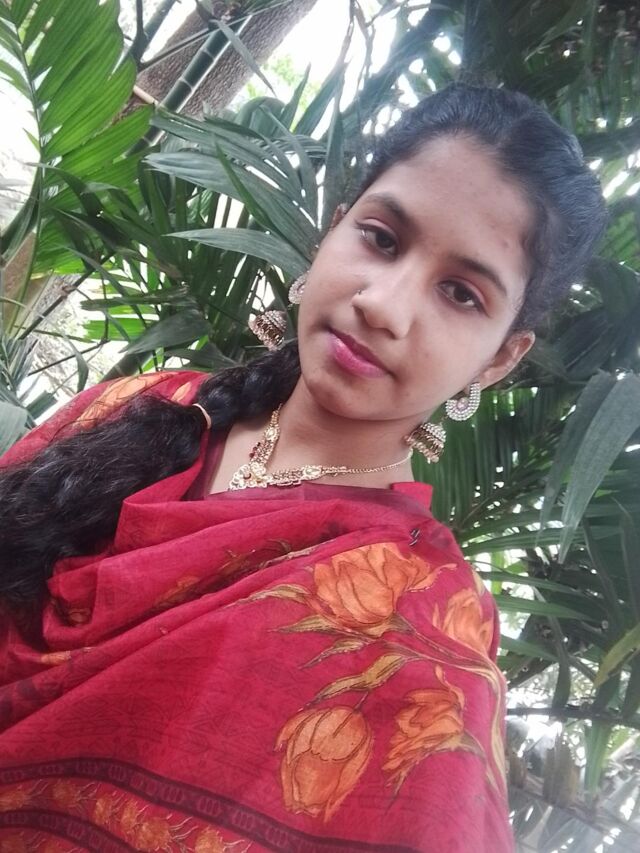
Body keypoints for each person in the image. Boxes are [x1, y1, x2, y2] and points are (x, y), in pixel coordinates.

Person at [0, 83, 606, 852]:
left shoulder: (419, 649)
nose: (384, 305)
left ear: (500, 359)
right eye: (381, 238)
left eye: (460, 293)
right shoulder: (140, 405)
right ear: (334, 227)